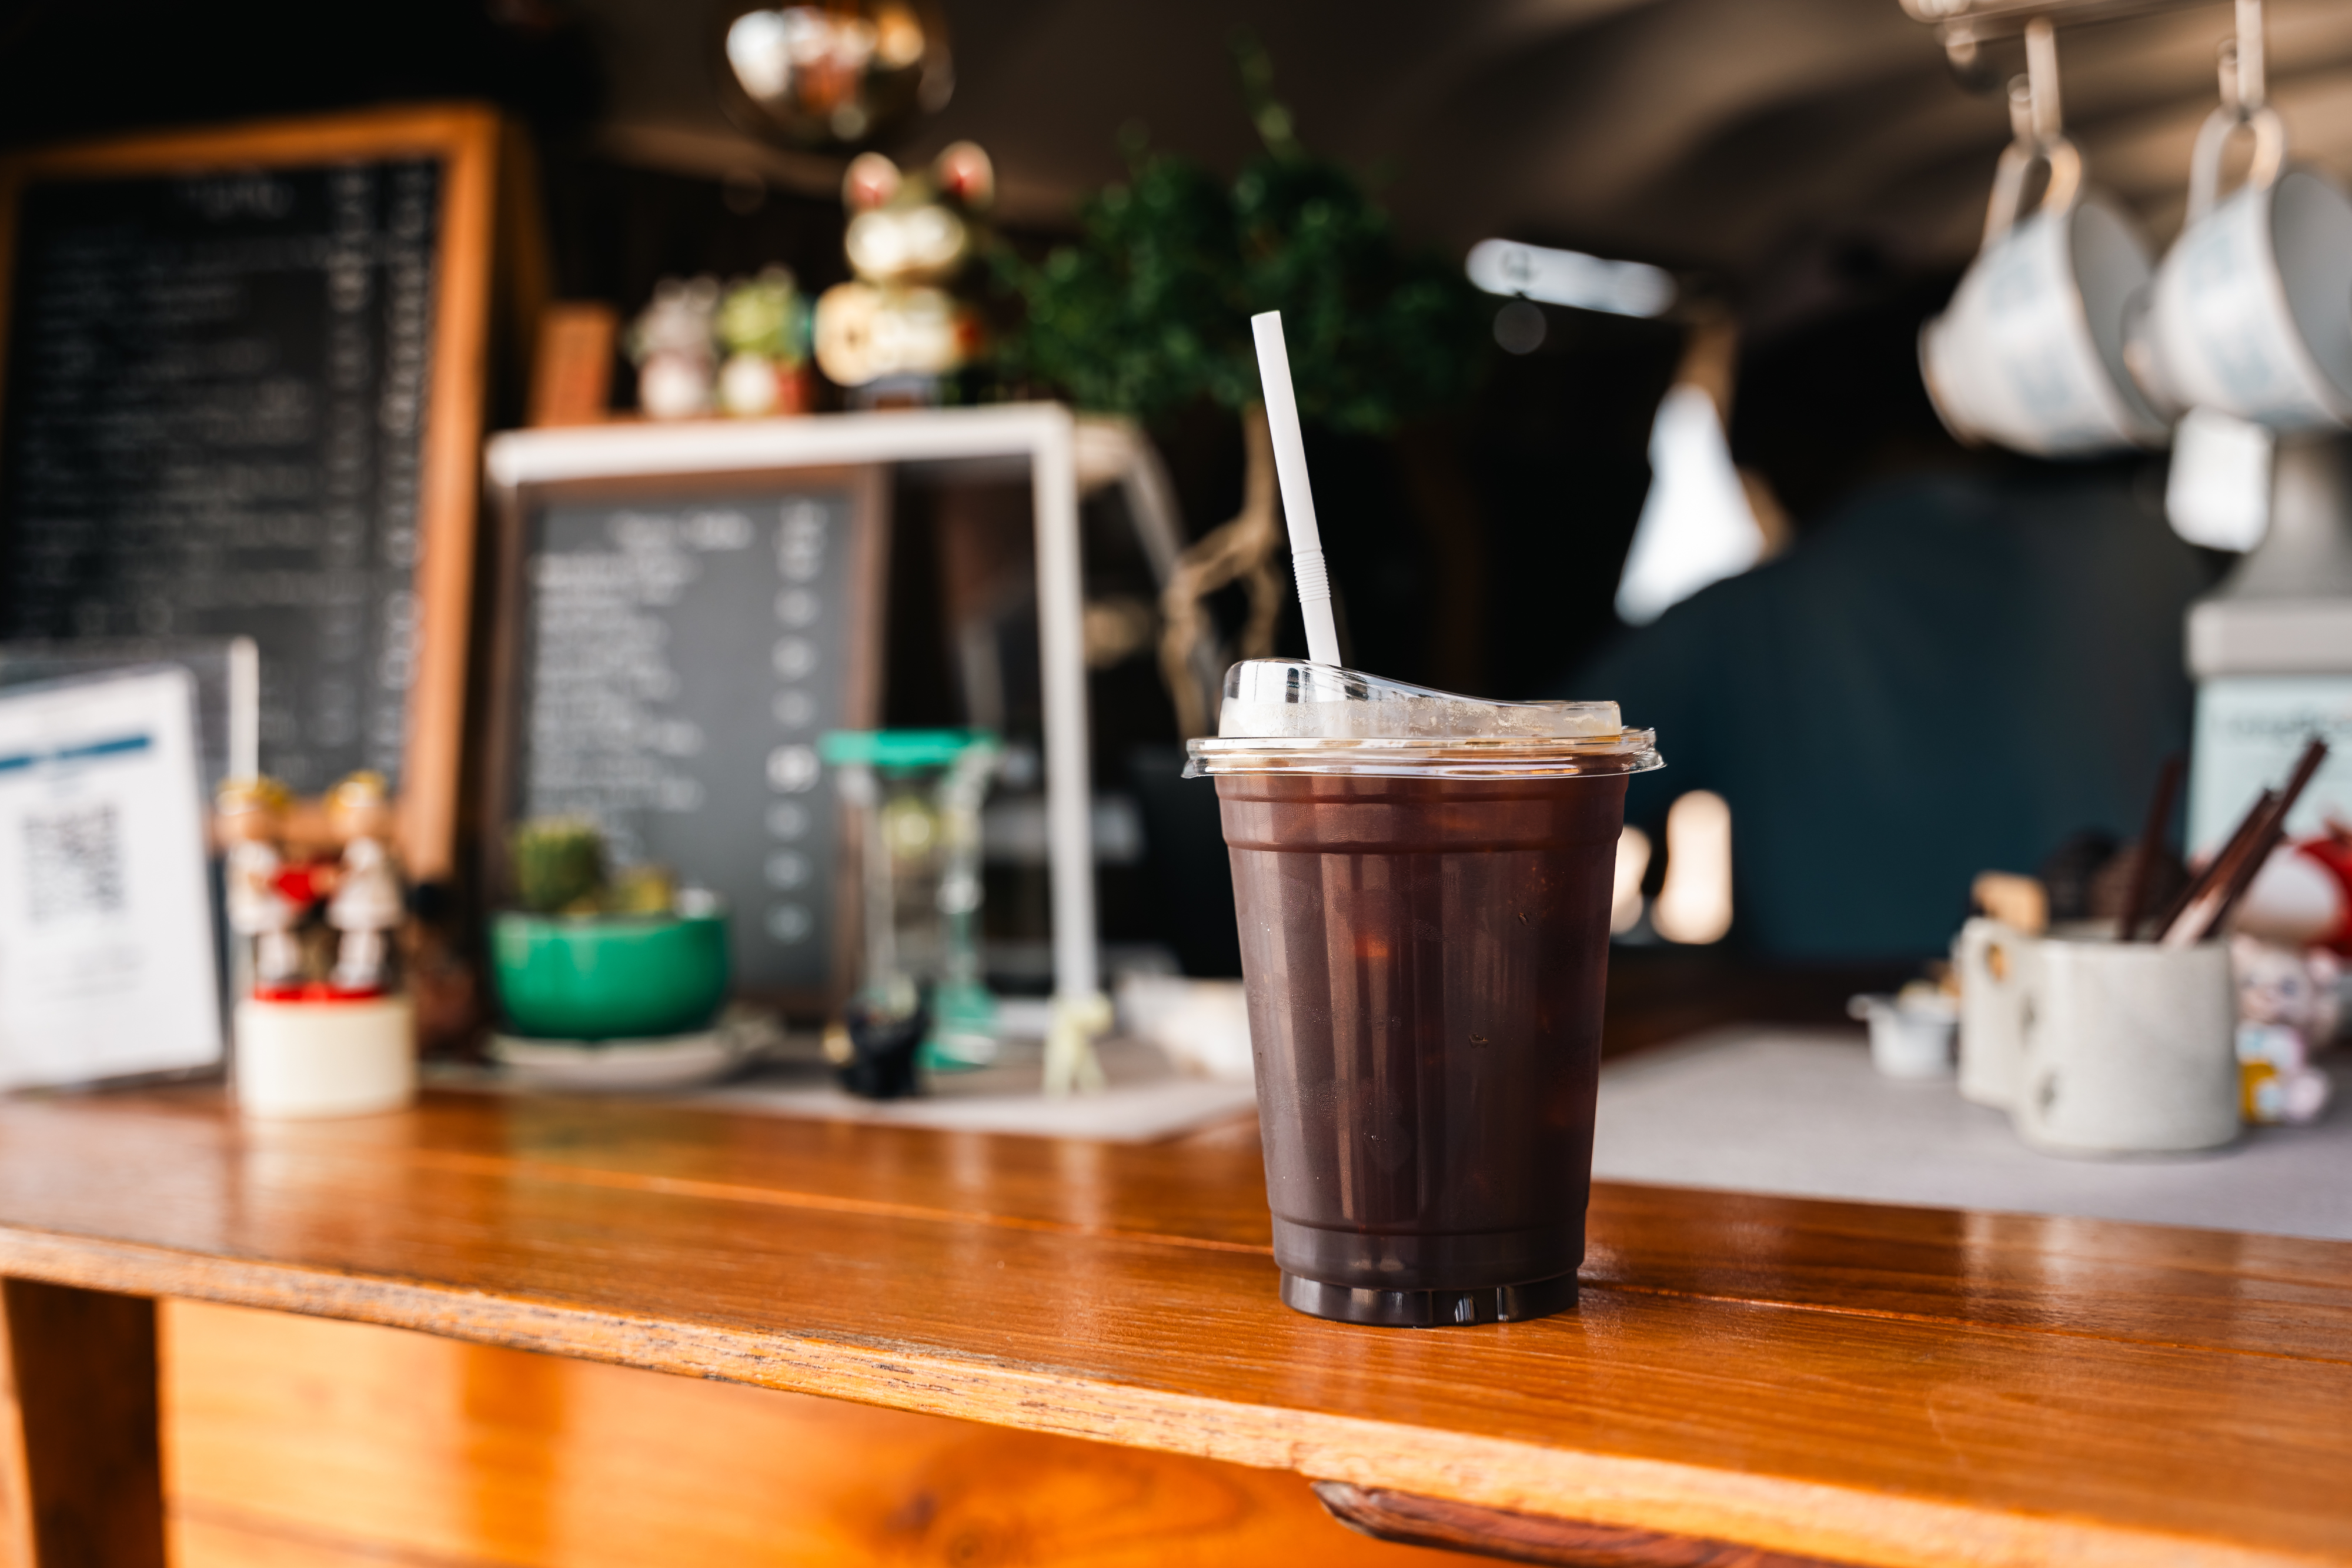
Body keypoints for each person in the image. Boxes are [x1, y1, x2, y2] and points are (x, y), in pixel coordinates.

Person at [1576, 262, 2217, 960]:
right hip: (2125, 1024)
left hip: (1839, 1042)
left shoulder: (1741, 621)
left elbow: (1517, 780)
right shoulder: (2151, 558)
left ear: (1775, 439)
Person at [325, 771, 405, 994]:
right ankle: (352, 967)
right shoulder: (358, 846)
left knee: (368, 936)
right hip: (358, 900)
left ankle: (368, 969)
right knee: (356, 936)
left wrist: (340, 876)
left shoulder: (370, 849)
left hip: (370, 901)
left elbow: (357, 870)